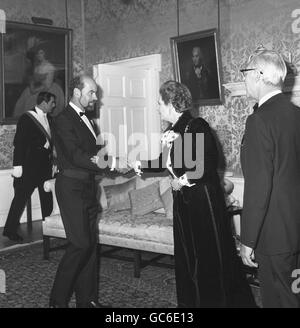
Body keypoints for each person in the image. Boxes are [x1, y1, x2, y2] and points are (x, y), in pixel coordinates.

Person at [131, 80, 255, 308]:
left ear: (171, 103)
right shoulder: (170, 131)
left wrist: (182, 180)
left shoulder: (196, 125)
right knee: (189, 257)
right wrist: (139, 165)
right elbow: (165, 162)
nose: (158, 107)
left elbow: (207, 164)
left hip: (202, 201)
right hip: (184, 202)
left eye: (160, 103)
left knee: (208, 257)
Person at [49, 74, 126, 308]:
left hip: (88, 188)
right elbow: (76, 156)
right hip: (70, 188)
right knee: (80, 245)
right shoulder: (63, 119)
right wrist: (111, 163)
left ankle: (88, 301)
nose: (95, 97)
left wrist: (117, 166)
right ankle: (57, 302)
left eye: (95, 93)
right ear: (76, 92)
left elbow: (94, 157)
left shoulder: (89, 121)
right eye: (91, 92)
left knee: (91, 245)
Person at [240, 49, 300, 308]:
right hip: (295, 227)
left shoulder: (259, 120)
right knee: (293, 293)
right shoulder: (296, 114)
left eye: (246, 73)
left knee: (278, 300)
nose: (244, 79)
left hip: (273, 233)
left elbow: (258, 188)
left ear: (259, 75)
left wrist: (248, 239)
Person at [3, 91, 56, 242]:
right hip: (29, 168)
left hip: (45, 166)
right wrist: (17, 166)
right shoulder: (27, 118)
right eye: (52, 103)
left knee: (47, 198)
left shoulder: (50, 118)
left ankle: (48, 228)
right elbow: (19, 142)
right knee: (20, 199)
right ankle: (9, 230)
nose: (54, 106)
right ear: (44, 103)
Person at [13, 44, 65, 117]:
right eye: (38, 53)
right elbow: (33, 80)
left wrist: (34, 90)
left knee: (35, 103)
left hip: (47, 89)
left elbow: (47, 86)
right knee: (23, 103)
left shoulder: (49, 67)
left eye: (41, 53)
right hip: (35, 87)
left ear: (46, 54)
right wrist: (32, 86)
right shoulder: (37, 66)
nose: (39, 55)